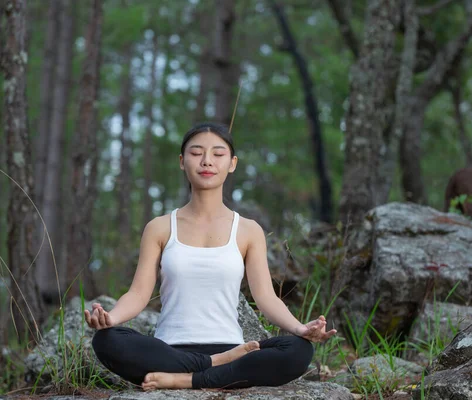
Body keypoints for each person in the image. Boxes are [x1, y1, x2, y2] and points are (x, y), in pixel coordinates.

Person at [86, 122, 336, 391]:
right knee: (106, 340)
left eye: (218, 154)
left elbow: (266, 298)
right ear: (182, 162)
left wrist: (300, 329)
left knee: (298, 350)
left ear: (232, 163)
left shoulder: (248, 230)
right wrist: (111, 318)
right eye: (196, 153)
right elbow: (138, 294)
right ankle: (212, 367)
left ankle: (186, 380)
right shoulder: (159, 227)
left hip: (231, 348)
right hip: (171, 349)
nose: (207, 161)